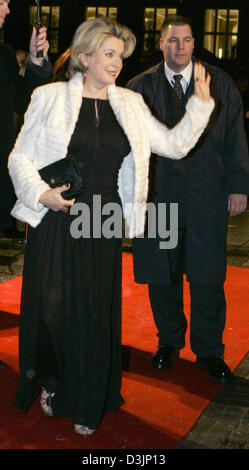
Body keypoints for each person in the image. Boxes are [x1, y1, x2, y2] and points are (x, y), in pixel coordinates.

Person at [8, 17, 214, 437]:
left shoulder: (131, 105)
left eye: (120, 55)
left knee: (92, 313)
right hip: (54, 217)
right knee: (50, 311)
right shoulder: (47, 97)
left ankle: (87, 397)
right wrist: (40, 194)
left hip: (99, 221)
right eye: (108, 54)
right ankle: (51, 378)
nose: (117, 62)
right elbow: (18, 159)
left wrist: (200, 106)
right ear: (84, 57)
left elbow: (174, 145)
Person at [128, 15, 249, 385]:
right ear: (161, 44)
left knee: (208, 277)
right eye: (172, 40)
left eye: (186, 40)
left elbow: (234, 136)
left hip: (206, 195)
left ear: (194, 43)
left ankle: (210, 350)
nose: (179, 47)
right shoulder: (139, 87)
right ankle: (168, 342)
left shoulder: (220, 83)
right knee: (162, 276)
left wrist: (239, 185)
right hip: (160, 197)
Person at [0, 0, 51, 239]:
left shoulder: (5, 55)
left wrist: (35, 61)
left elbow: (24, 102)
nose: (7, 10)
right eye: (2, 3)